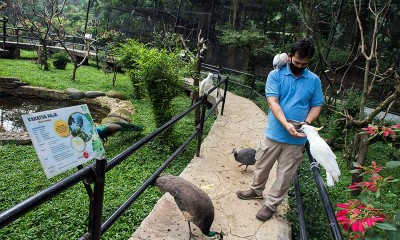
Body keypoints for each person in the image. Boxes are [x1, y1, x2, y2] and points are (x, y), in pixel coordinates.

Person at [236, 39, 324, 221]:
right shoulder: (275, 75)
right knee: (261, 164)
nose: (299, 66)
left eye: (304, 64)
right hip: (275, 133)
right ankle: (256, 190)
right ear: (290, 57)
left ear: (309, 62)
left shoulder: (314, 80)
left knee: (285, 175)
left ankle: (271, 204)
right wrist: (286, 125)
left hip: (297, 139)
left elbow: (316, 106)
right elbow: (272, 102)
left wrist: (307, 122)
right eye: (296, 62)